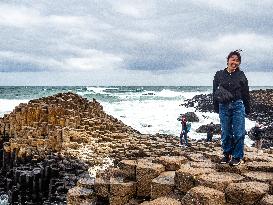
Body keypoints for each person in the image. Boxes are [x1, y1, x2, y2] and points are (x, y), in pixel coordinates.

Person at [213, 50, 250, 166]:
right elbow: (215, 92)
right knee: (226, 132)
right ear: (228, 60)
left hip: (238, 105)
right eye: (233, 59)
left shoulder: (241, 75)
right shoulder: (219, 74)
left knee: (239, 132)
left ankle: (237, 156)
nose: (235, 62)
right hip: (223, 106)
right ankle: (227, 154)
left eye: (237, 60)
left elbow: (246, 93)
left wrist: (247, 108)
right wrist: (216, 107)